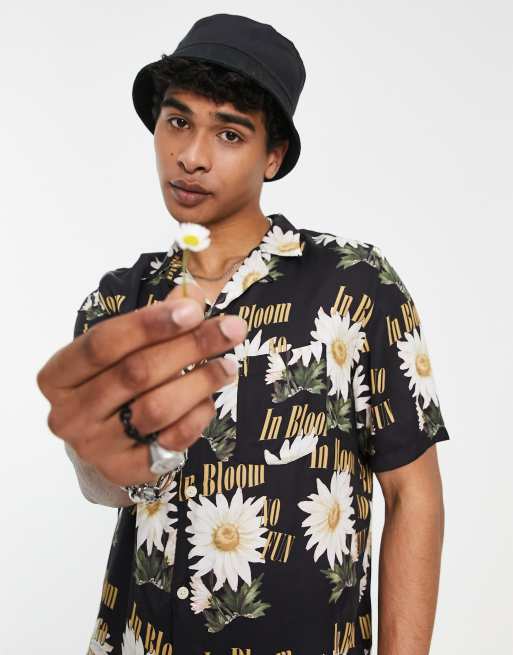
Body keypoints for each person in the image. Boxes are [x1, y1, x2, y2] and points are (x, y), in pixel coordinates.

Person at [36, 13, 451, 655]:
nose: (191, 156)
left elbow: (413, 493)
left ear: (273, 155)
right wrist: (101, 457)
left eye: (229, 133)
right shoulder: (120, 300)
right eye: (178, 122)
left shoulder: (355, 284)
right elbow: (102, 483)